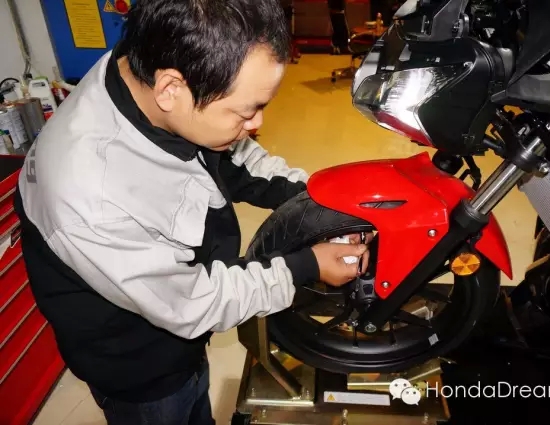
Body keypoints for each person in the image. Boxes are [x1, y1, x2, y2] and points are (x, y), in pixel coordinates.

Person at [13, 1, 370, 424]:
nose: (256, 123)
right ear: (170, 90)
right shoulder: (91, 194)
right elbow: (192, 302)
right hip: (142, 368)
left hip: (172, 317)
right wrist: (305, 266)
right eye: (247, 110)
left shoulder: (147, 68)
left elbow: (235, 159)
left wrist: (320, 201)